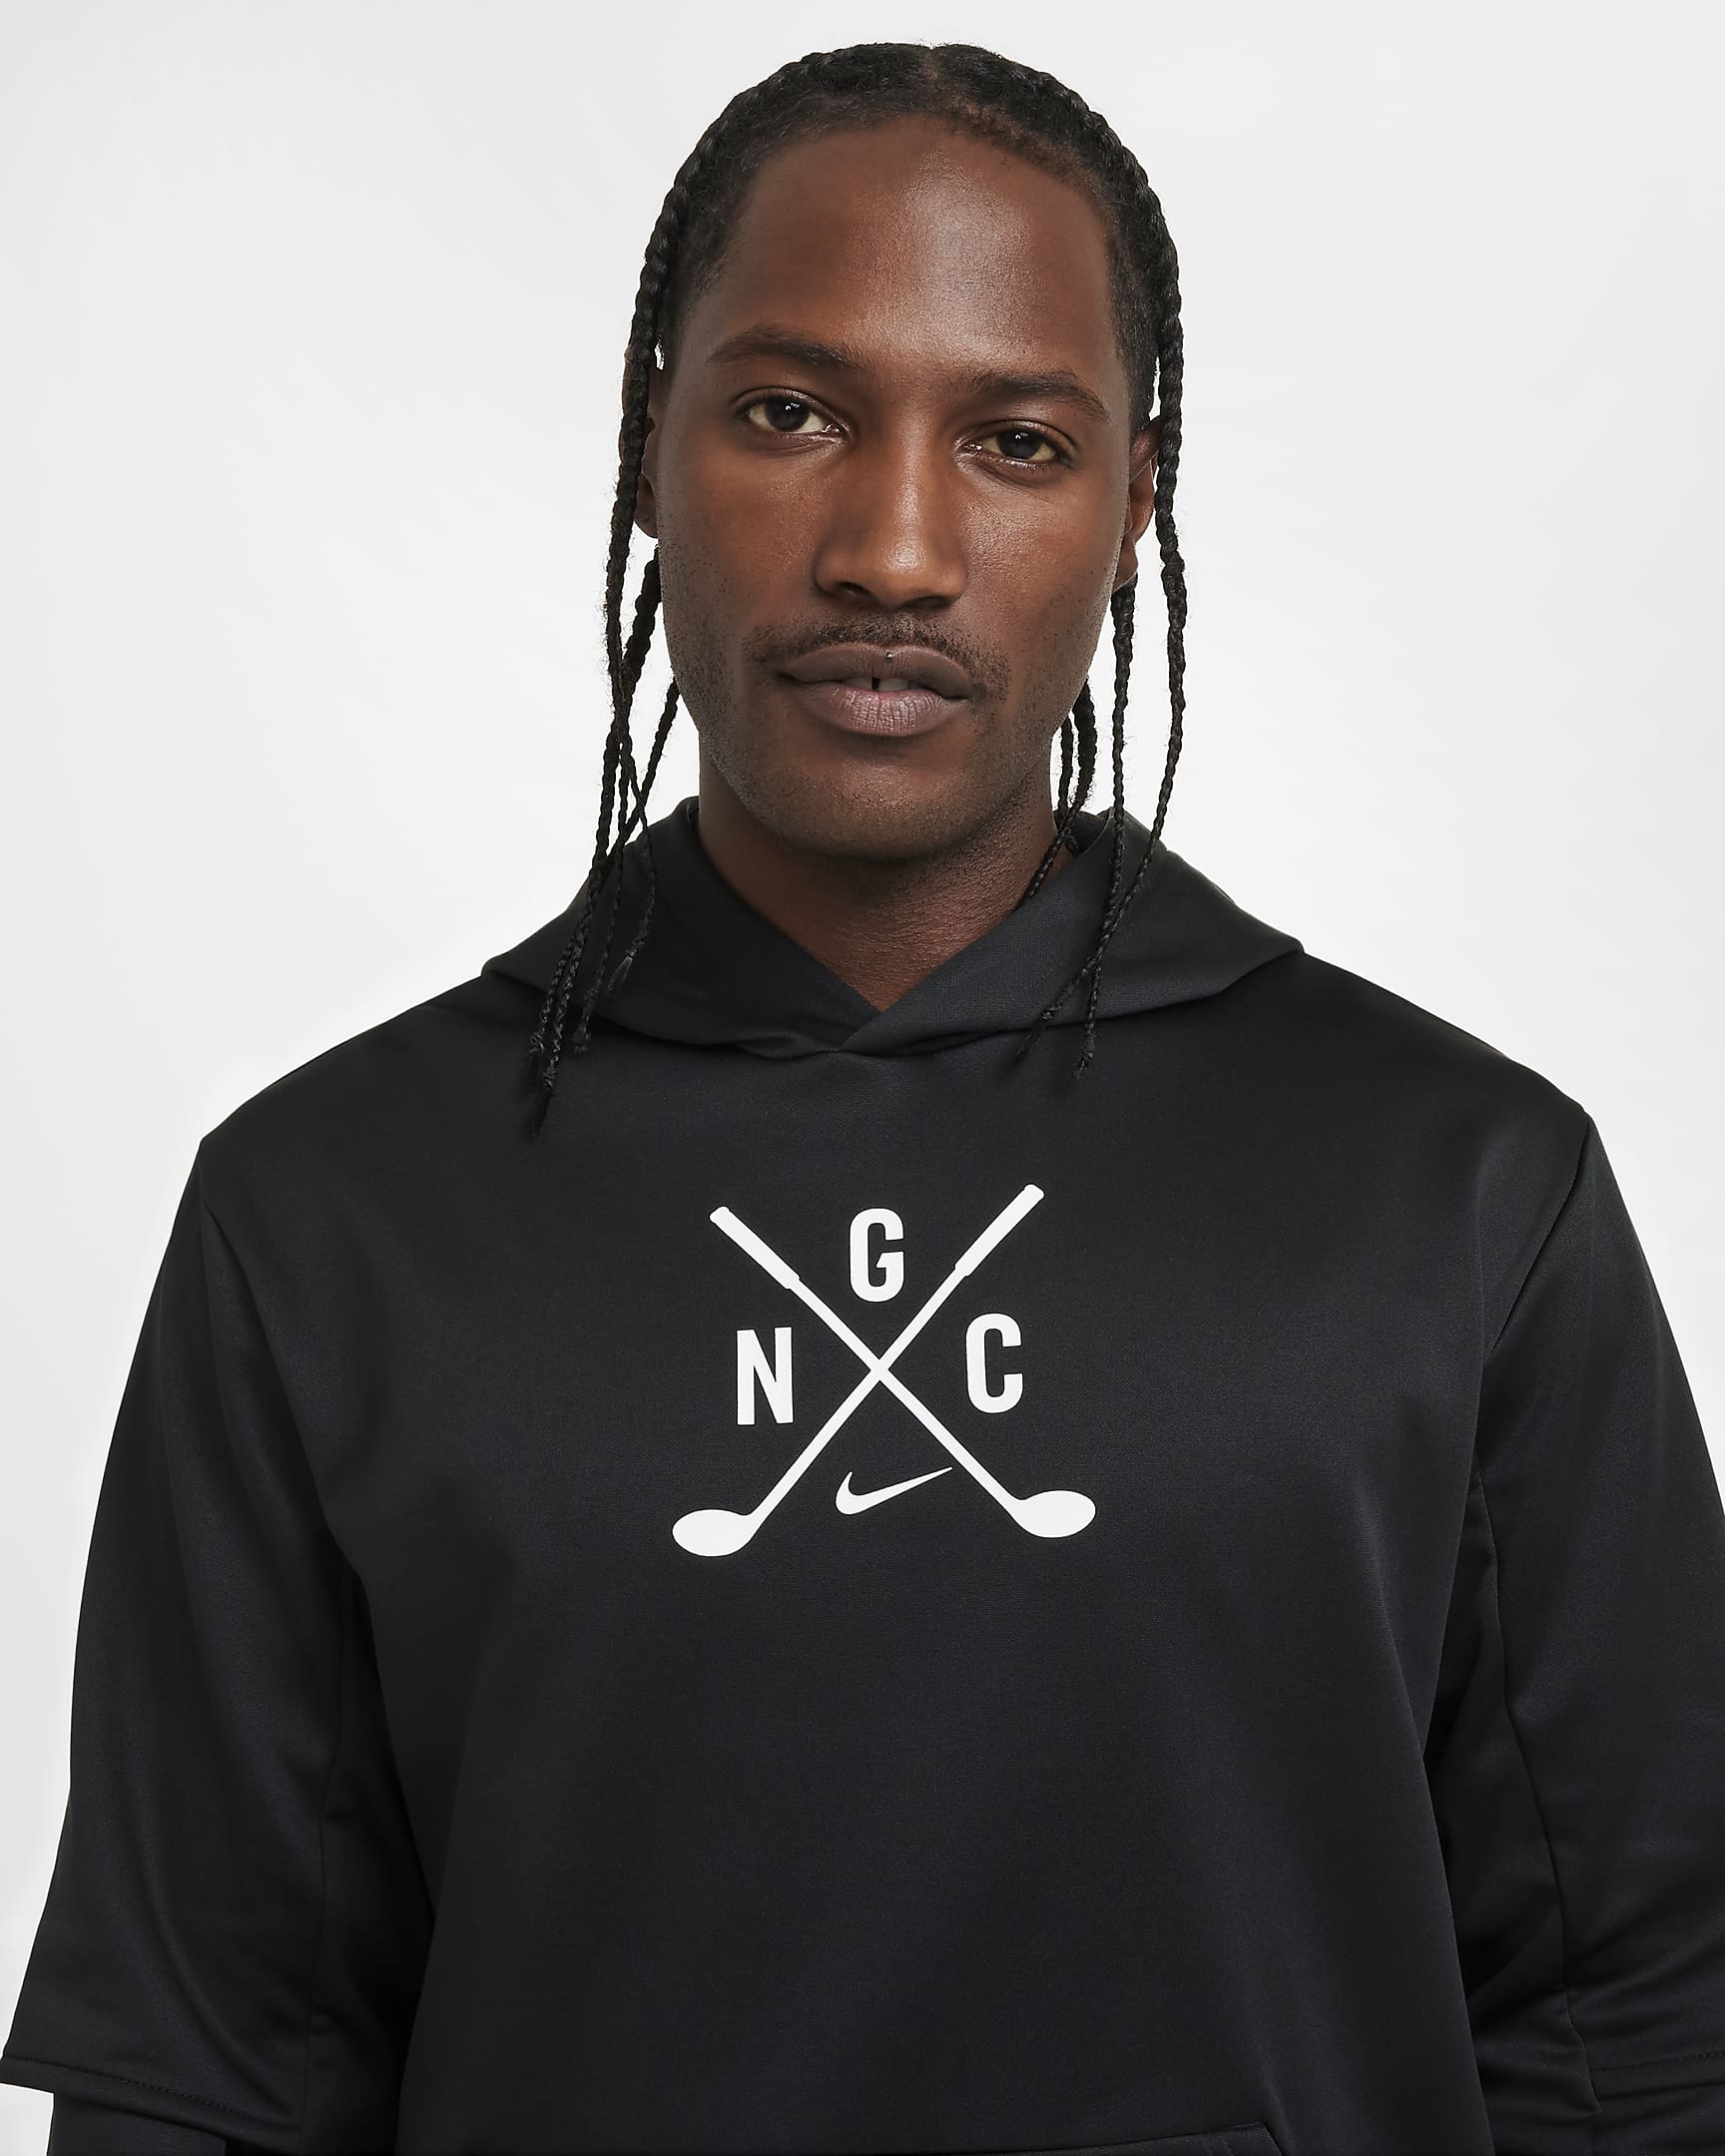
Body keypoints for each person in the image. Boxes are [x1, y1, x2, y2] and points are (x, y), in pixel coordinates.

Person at [3, 38, 1721, 2156]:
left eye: (1016, 441)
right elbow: (208, 2082)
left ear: (1135, 504)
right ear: (649, 444)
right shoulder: (326, 1219)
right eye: (790, 413)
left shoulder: (1462, 1195)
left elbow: (1647, 2039)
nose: (894, 551)